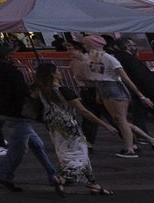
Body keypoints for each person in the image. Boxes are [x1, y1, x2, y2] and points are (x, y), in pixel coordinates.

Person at [0, 42, 62, 191]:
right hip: (17, 113)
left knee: (37, 144)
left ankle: (52, 174)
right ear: (7, 56)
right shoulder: (13, 72)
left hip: (0, 111)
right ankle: (4, 174)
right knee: (19, 148)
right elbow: (22, 92)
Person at [31, 60, 110, 195]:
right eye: (57, 71)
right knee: (77, 153)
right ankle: (62, 178)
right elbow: (83, 111)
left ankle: (93, 184)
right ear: (53, 75)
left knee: (67, 152)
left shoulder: (40, 90)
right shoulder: (63, 90)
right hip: (68, 123)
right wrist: (104, 124)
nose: (60, 73)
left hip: (52, 124)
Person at [78, 40, 154, 159]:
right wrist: (98, 93)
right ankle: (151, 141)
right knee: (119, 120)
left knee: (120, 120)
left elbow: (125, 78)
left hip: (115, 88)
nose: (84, 46)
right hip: (105, 88)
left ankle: (130, 148)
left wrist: (141, 96)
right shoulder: (94, 58)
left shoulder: (109, 58)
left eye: (86, 44)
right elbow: (97, 77)